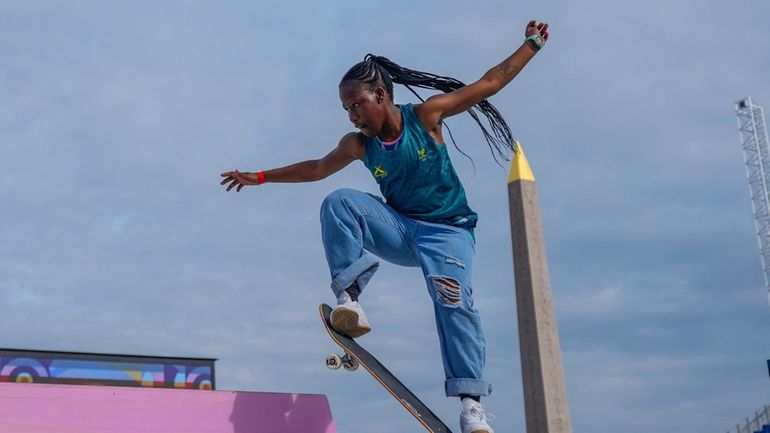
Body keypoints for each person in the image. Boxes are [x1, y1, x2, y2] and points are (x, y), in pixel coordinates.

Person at [221, 20, 548, 433]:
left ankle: (471, 406)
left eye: (358, 105)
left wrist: (530, 46)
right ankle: (350, 298)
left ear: (380, 95)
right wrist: (262, 176)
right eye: (347, 110)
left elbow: (489, 83)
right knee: (339, 202)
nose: (354, 116)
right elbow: (318, 170)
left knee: (453, 301)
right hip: (399, 228)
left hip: (448, 233)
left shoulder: (427, 116)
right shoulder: (357, 145)